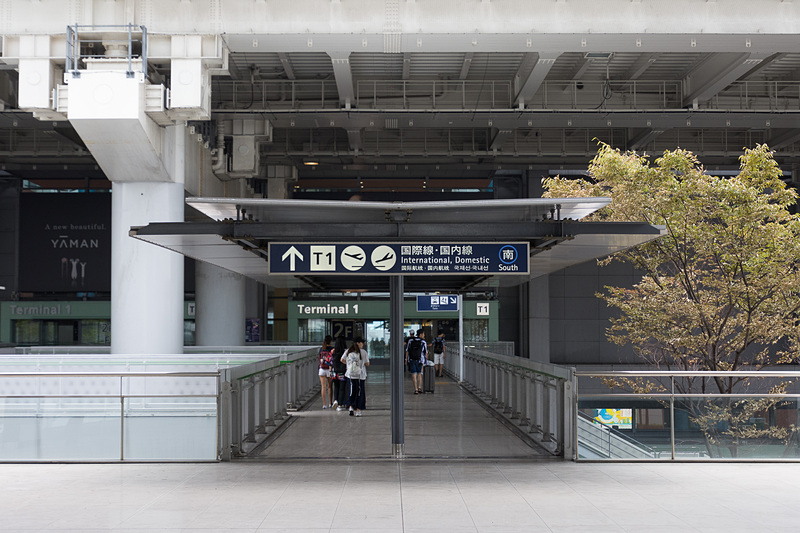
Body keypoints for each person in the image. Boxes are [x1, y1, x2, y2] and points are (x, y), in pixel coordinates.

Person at [342, 337, 369, 417]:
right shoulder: (363, 352)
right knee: (360, 392)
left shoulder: (348, 351)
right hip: (360, 375)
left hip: (350, 375)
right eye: (361, 343)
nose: (363, 344)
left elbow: (341, 360)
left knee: (352, 391)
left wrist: (349, 365)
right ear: (358, 343)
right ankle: (358, 410)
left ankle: (350, 407)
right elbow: (367, 363)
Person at [405, 328, 427, 394]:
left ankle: (416, 389)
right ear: (420, 334)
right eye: (423, 334)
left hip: (412, 359)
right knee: (419, 374)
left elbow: (407, 351)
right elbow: (426, 352)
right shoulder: (423, 342)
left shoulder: (411, 341)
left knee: (413, 375)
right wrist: (426, 361)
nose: (424, 335)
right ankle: (419, 388)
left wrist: (406, 359)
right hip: (420, 360)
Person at [330, 335, 349, 411]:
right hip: (342, 372)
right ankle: (340, 405)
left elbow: (331, 361)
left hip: (334, 372)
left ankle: (335, 400)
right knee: (342, 388)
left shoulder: (333, 351)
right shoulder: (346, 351)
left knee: (336, 387)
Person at [318, 335, 334, 409]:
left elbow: (319, 359)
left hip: (321, 369)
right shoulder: (332, 349)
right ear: (330, 341)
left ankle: (324, 404)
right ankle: (330, 403)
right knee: (330, 387)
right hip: (329, 369)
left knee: (323, 387)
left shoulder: (321, 349)